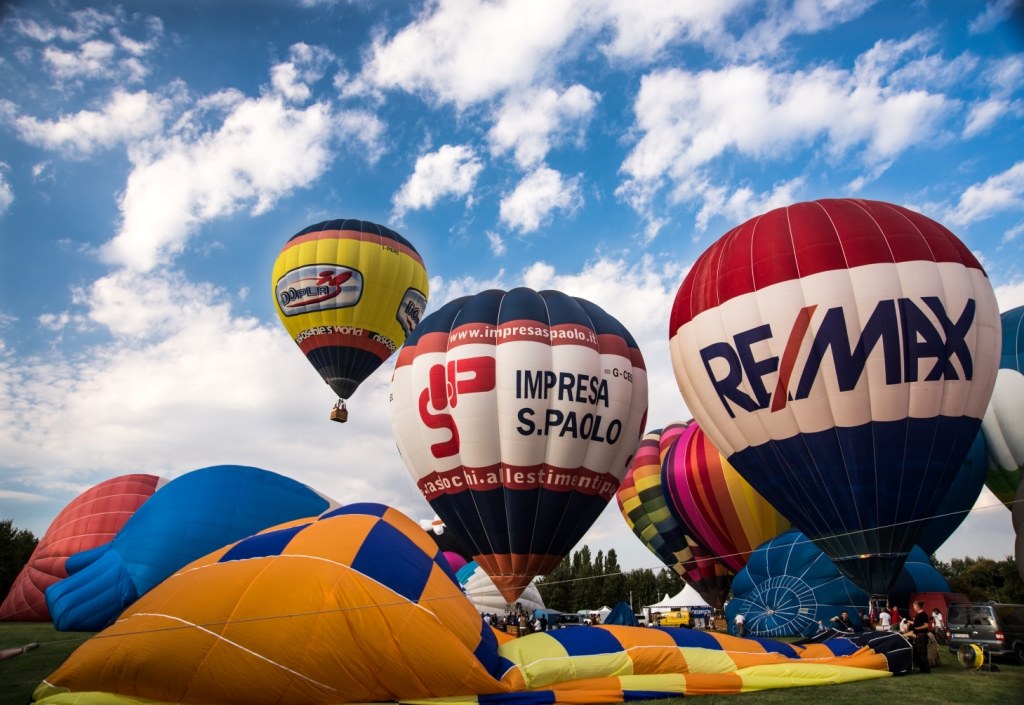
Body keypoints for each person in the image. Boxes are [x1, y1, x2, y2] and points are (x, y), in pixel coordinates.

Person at [911, 600, 931, 673]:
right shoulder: (918, 615)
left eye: (914, 606)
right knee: (919, 653)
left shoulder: (923, 614)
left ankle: (926, 669)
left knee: (922, 653)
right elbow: (917, 623)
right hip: (918, 636)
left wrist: (917, 628)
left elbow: (926, 625)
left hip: (922, 636)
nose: (913, 607)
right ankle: (922, 669)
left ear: (918, 606)